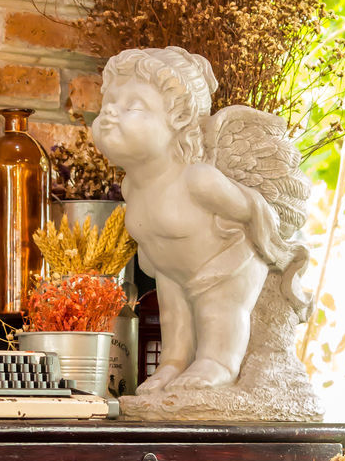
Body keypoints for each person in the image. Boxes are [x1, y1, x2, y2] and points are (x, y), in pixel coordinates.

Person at [91, 46, 311, 394]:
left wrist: (275, 248)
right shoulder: (132, 186)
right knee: (174, 319)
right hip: (173, 274)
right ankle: (173, 364)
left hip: (227, 263)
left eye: (132, 107)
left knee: (218, 311)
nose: (110, 115)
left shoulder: (198, 179)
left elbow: (253, 208)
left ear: (177, 120)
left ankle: (220, 362)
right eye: (107, 106)